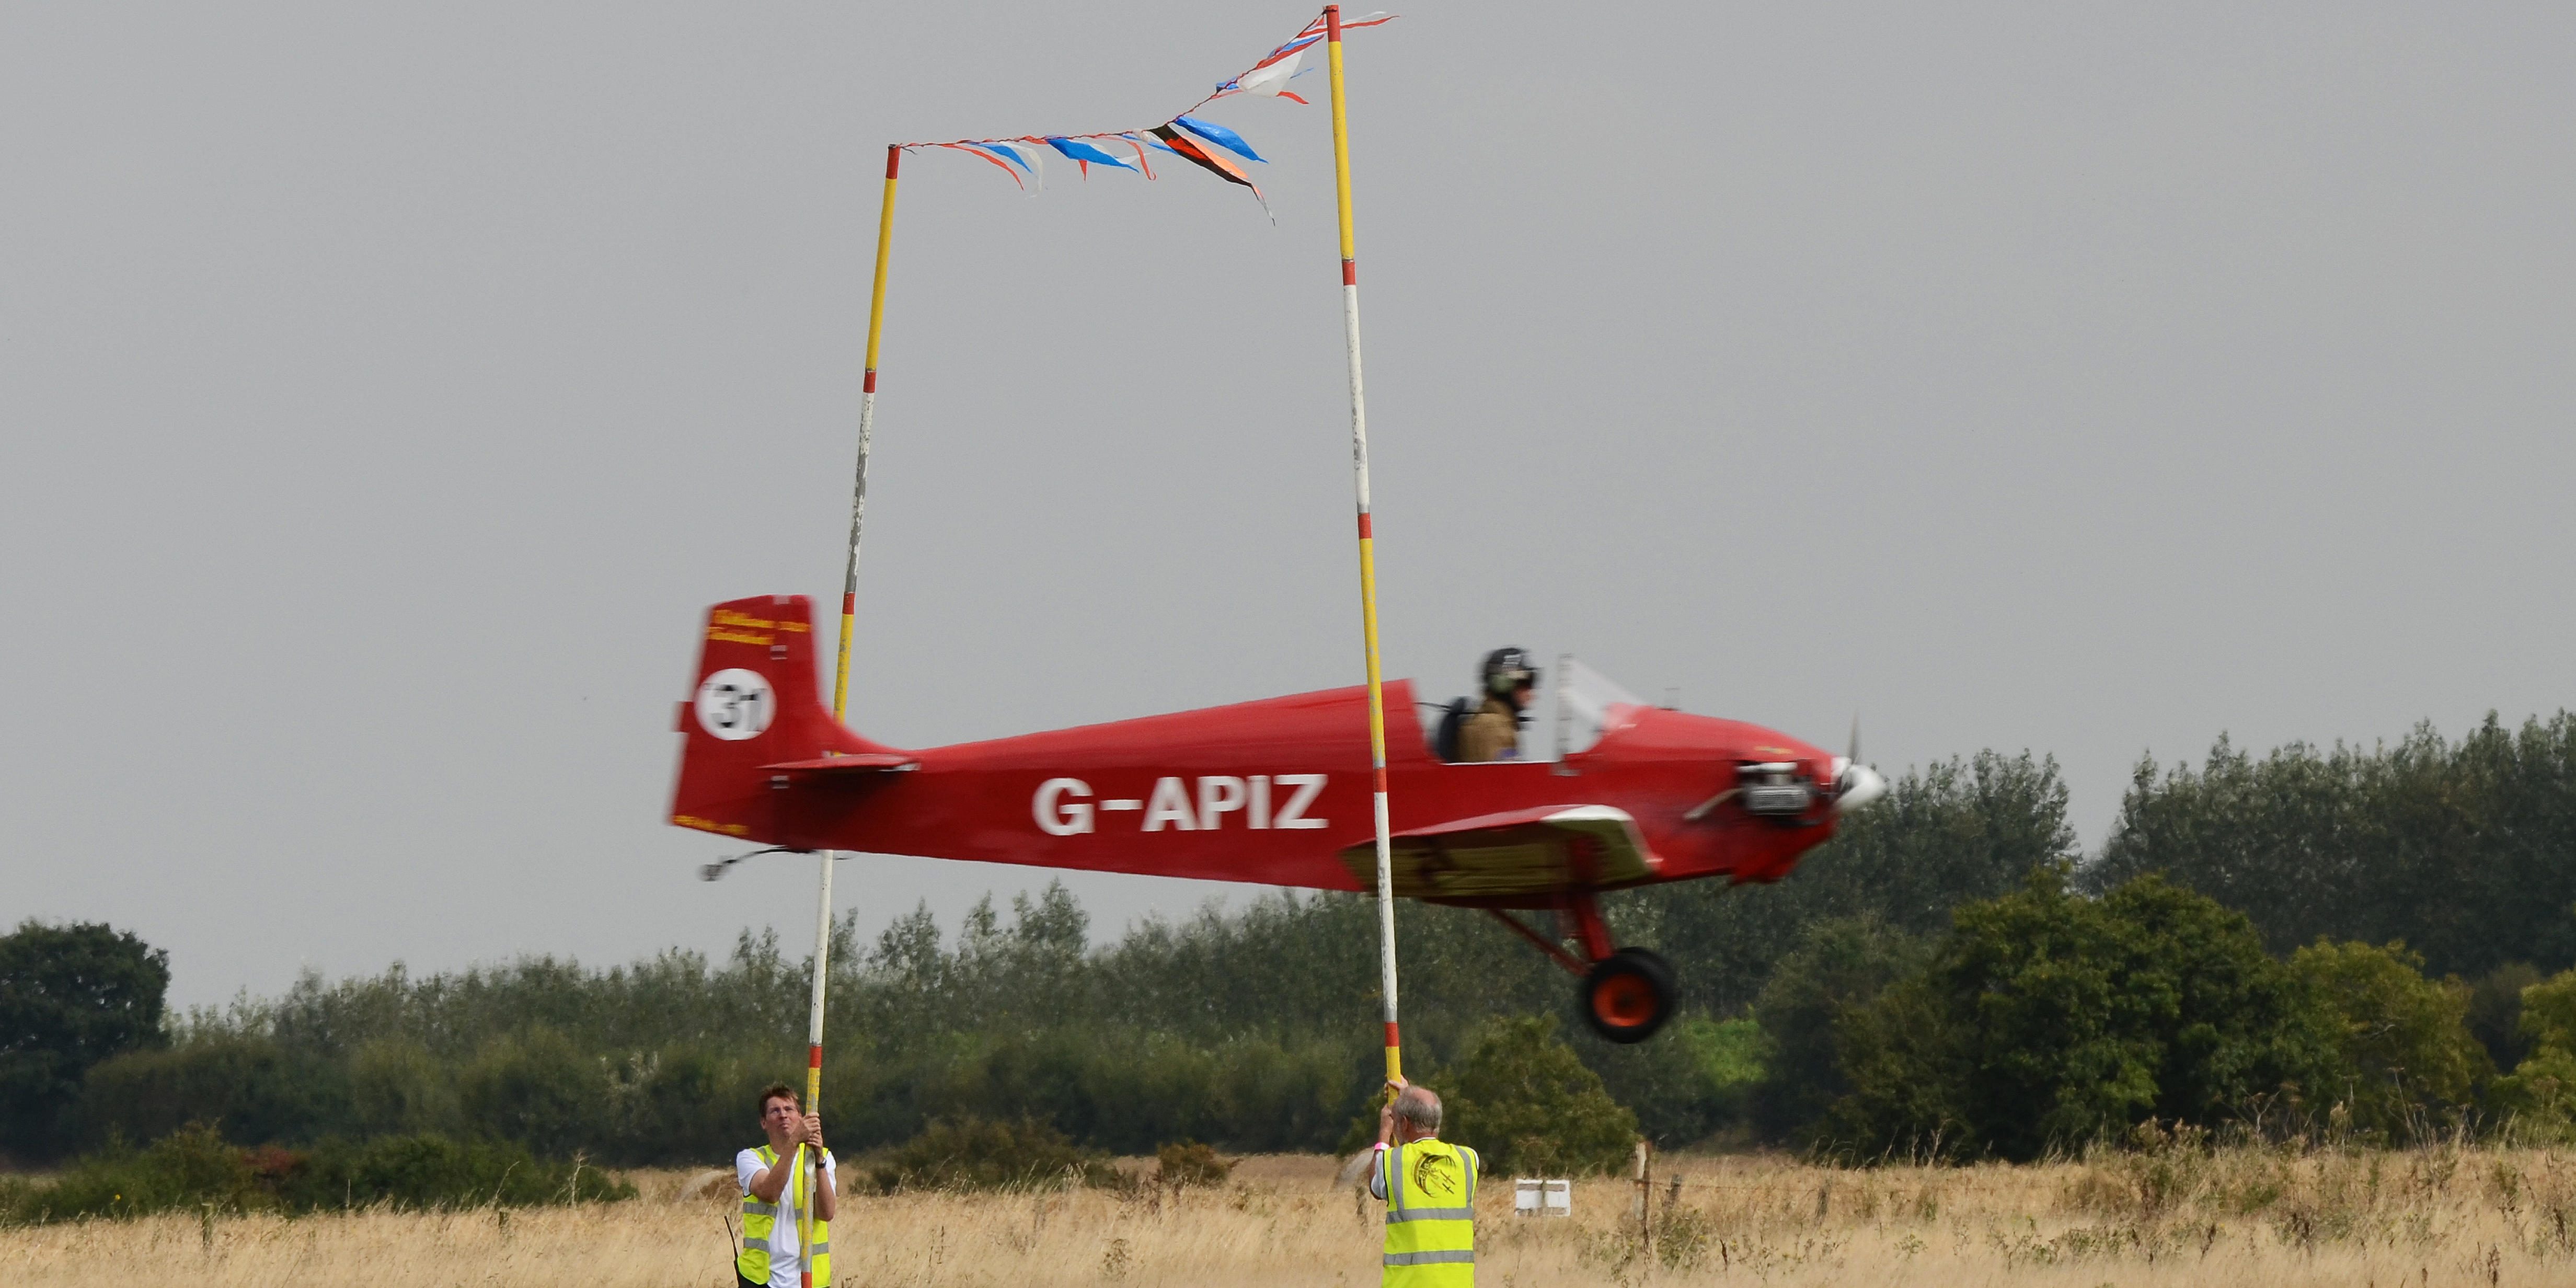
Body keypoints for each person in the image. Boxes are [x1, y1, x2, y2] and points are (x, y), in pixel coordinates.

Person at [1369, 1078, 1479, 1286]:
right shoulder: (1468, 1159)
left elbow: (1376, 1186)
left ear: (1404, 1123)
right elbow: (1432, 1143)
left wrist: (1384, 1133)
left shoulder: (1393, 1160)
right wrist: (1410, 1096)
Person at [735, 1083, 836, 1288]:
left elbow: (826, 1213)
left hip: (809, 1277)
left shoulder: (823, 1158)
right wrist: (794, 1143)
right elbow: (769, 1193)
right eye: (775, 1111)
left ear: (800, 1117)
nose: (783, 1115)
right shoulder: (751, 1159)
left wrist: (818, 1161)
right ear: (764, 1123)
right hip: (762, 1279)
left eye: (789, 1109)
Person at [1455, 648, 1537, 763]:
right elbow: (1503, 778)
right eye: (1525, 684)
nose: (1530, 694)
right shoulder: (1493, 727)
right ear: (1502, 684)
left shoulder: (1496, 723)